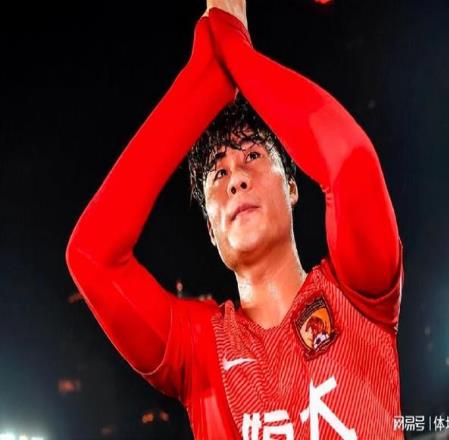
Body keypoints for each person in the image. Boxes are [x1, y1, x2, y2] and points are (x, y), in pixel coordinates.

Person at [66, 1, 404, 438]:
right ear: (211, 229)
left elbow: (351, 163)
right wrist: (202, 84)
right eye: (218, 174)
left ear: (293, 187)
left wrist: (236, 52)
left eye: (253, 156)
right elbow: (91, 256)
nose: (237, 179)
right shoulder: (198, 351)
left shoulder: (359, 293)